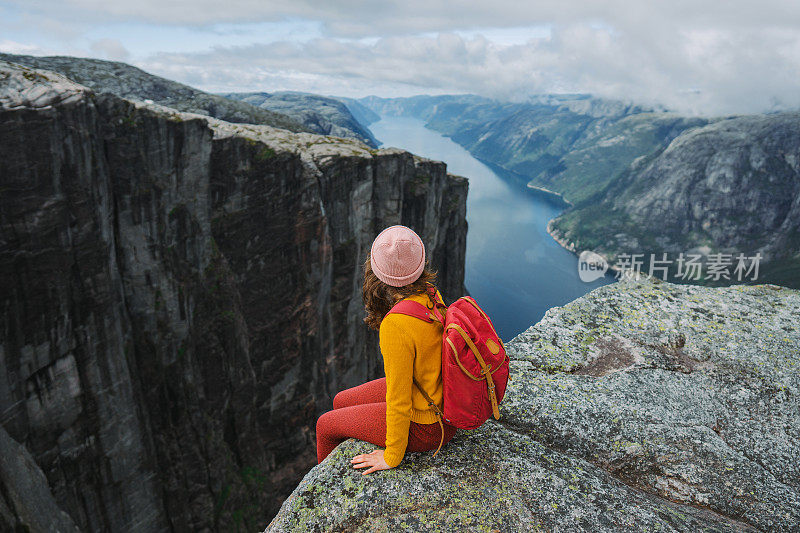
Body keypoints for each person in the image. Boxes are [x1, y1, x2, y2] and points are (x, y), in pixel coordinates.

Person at [315, 224, 458, 474]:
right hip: (435, 395)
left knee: (325, 425)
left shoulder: (396, 324)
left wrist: (392, 455)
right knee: (340, 400)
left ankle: (322, 490)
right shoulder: (431, 294)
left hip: (428, 425)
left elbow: (399, 400)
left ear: (377, 272)